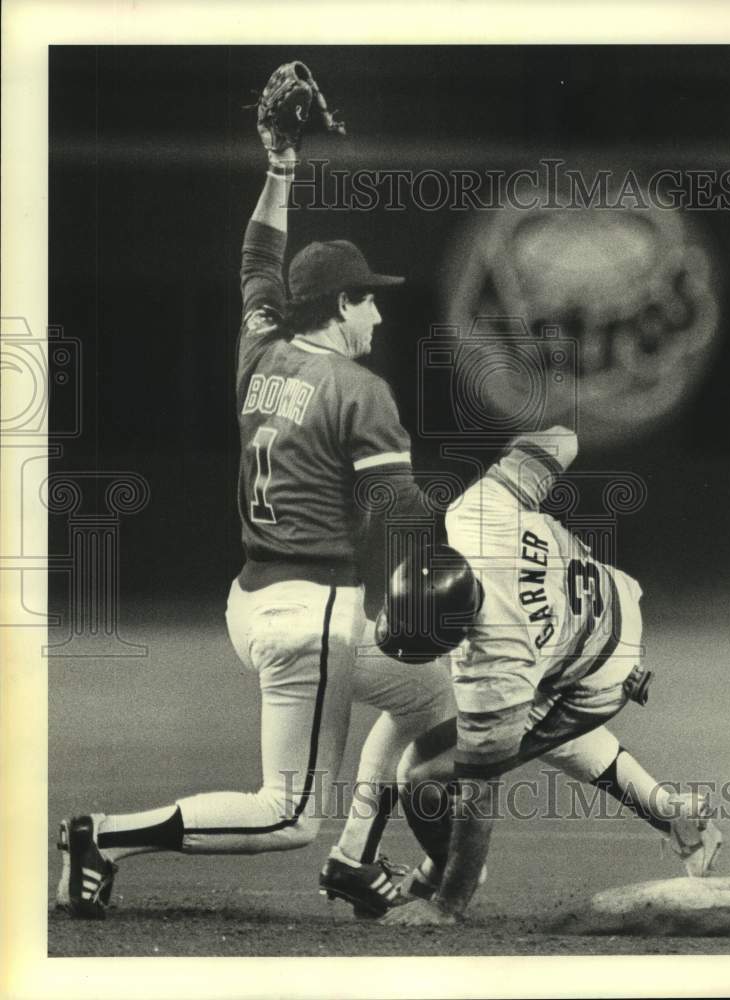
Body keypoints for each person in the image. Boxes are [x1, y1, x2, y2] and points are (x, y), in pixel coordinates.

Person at [56, 71, 453, 921]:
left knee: (432, 695)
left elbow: (257, 263)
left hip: (257, 600)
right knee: (286, 815)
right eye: (368, 302)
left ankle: (356, 861)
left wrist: (280, 166)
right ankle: (105, 838)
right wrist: (438, 579)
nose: (378, 318)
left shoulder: (261, 351)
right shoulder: (359, 388)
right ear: (341, 306)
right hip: (308, 616)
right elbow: (399, 514)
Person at [380, 427, 723, 926]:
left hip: (599, 672)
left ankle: (446, 881)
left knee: (421, 776)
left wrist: (444, 906)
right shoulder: (475, 515)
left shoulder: (496, 666)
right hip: (601, 604)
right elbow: (562, 438)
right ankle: (677, 815)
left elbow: (478, 802)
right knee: (538, 734)